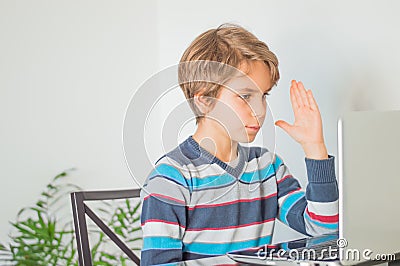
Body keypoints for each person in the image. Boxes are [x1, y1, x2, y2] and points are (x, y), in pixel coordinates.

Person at [139, 23, 338, 266]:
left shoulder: (267, 167)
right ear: (204, 101)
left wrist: (314, 147)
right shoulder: (170, 179)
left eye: (263, 95)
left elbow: (323, 229)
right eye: (245, 96)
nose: (260, 110)